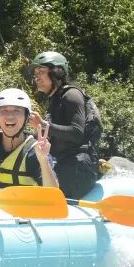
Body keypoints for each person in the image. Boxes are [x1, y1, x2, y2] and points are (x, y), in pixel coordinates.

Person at [26, 52, 101, 199]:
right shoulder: (55, 99)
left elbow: (76, 132)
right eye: (35, 73)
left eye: (41, 72)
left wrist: (43, 124)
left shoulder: (71, 95)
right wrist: (24, 135)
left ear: (57, 72)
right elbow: (54, 135)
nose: (37, 77)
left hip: (78, 168)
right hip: (66, 163)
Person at [0, 88, 58, 196]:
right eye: (4, 111)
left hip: (22, 211)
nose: (10, 116)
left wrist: (43, 160)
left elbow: (52, 194)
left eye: (17, 111)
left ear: (26, 117)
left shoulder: (34, 152)